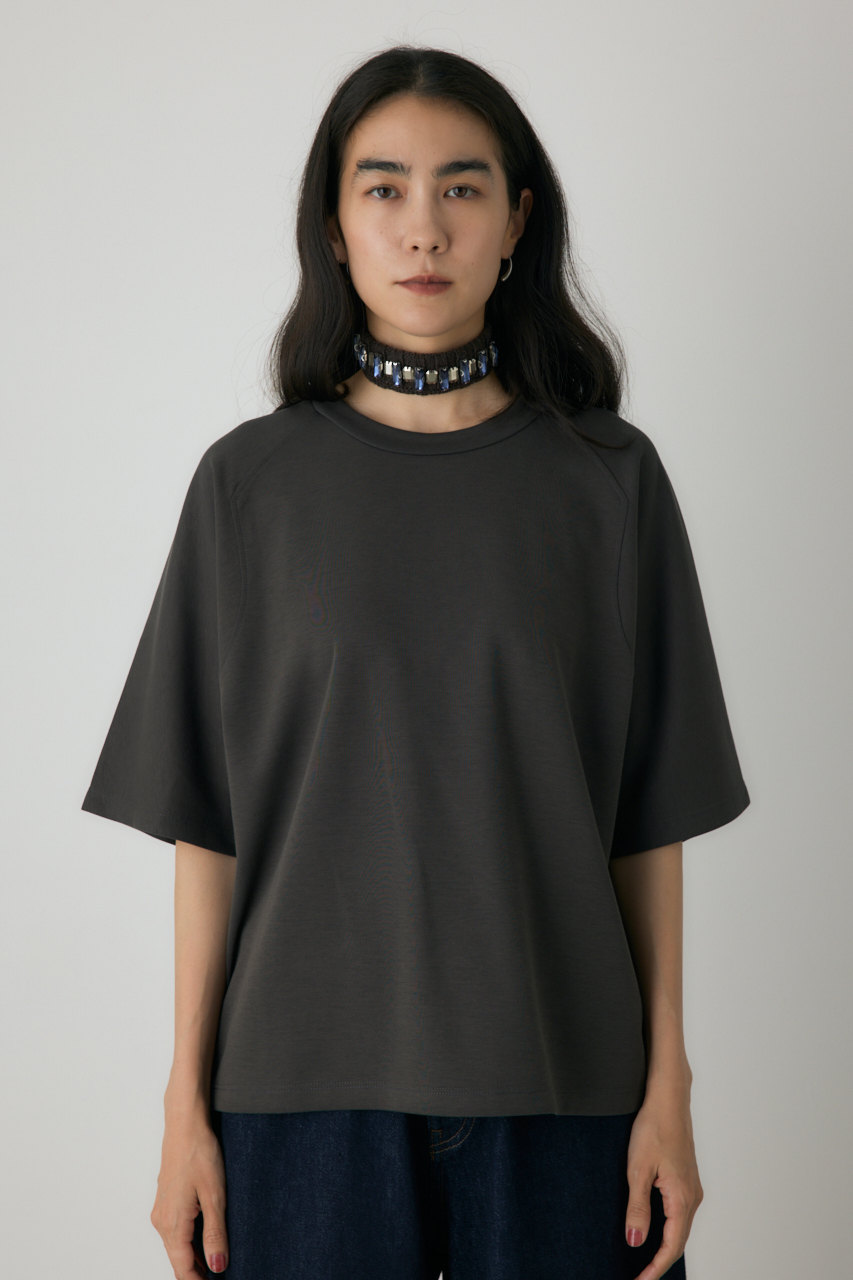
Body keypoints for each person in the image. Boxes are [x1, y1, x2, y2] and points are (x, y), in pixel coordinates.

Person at [81, 45, 750, 1280]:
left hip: (566, 1088)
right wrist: (183, 1104)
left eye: (461, 187)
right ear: (334, 226)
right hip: (298, 1100)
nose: (423, 226)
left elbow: (646, 819)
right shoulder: (249, 486)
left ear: (516, 223)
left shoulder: (608, 483)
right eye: (383, 187)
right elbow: (207, 830)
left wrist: (670, 1083)